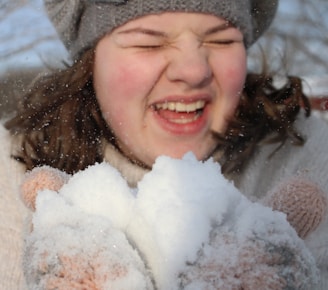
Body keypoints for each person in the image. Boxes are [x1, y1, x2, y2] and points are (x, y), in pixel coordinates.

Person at [0, 0, 327, 288]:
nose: (194, 70)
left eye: (221, 39)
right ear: (92, 59)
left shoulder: (313, 160)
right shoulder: (8, 173)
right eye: (149, 43)